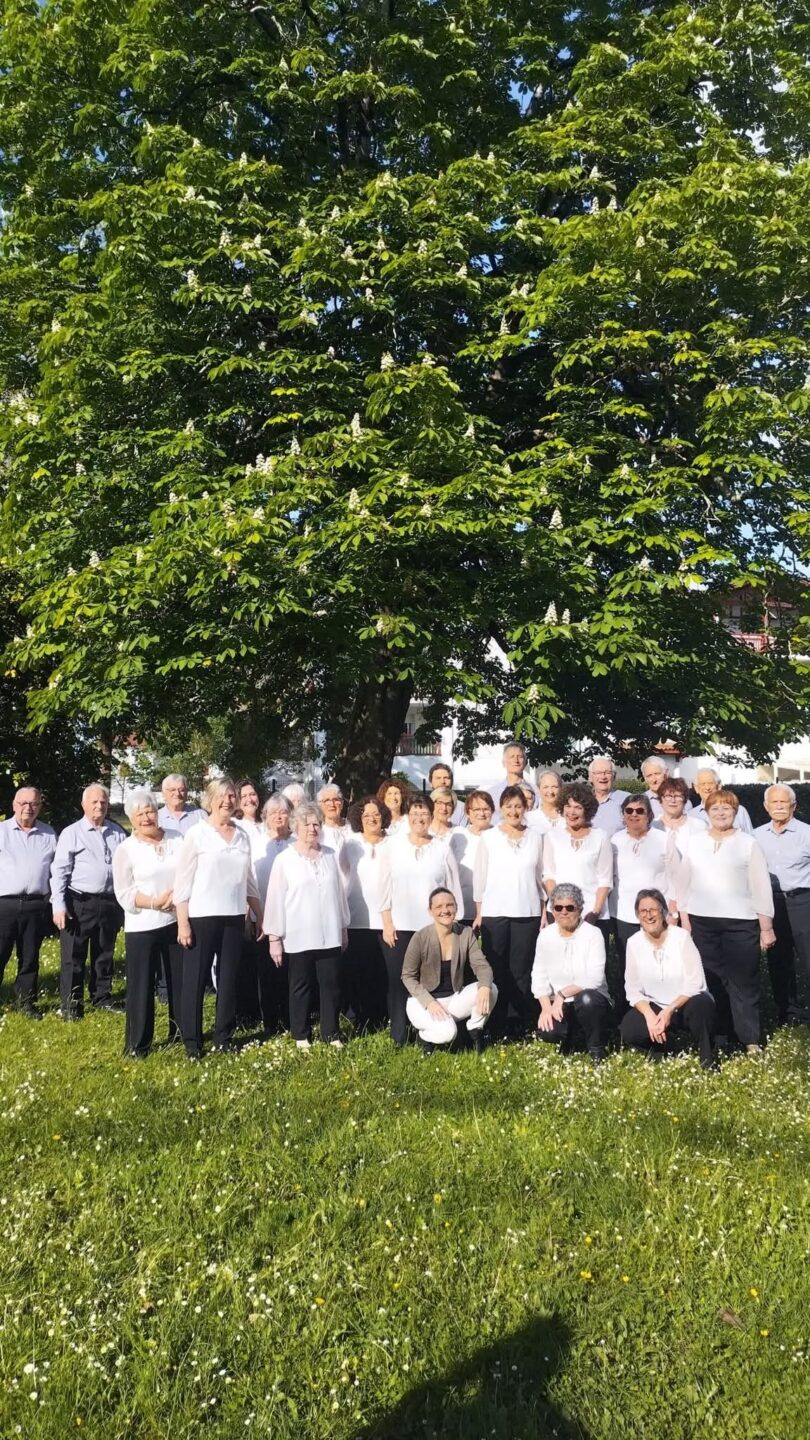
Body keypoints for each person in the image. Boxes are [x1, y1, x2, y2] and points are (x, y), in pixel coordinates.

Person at [677, 789, 774, 1052]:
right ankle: (720, 1033)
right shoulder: (695, 842)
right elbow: (683, 883)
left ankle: (749, 1038)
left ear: (735, 812)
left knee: (744, 982)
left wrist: (766, 927)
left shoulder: (748, 843)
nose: (721, 813)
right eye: (715, 808)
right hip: (703, 922)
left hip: (741, 922)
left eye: (726, 808)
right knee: (712, 980)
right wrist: (685, 919)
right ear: (707, 813)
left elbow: (761, 887)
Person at [173, 777, 262, 1059]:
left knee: (228, 979)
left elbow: (249, 882)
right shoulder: (197, 834)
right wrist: (183, 922)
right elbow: (182, 883)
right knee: (196, 981)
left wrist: (262, 915)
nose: (228, 801)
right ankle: (192, 1041)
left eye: (232, 796)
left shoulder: (242, 835)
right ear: (210, 800)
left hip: (234, 917)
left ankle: (223, 1037)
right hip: (201, 918)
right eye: (221, 796)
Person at [378, 793, 463, 1046]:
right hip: (400, 927)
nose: (419, 817)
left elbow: (453, 887)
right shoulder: (392, 846)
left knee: (430, 981)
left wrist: (451, 922)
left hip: (433, 929)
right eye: (414, 813)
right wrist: (387, 922)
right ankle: (399, 1035)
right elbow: (383, 888)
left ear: (431, 815)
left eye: (424, 812)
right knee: (399, 981)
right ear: (406, 816)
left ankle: (427, 1034)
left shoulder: (442, 847)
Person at [264, 802, 350, 1049]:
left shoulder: (330, 855)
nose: (313, 828)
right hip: (298, 935)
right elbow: (275, 899)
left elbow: (339, 894)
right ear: (296, 827)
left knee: (331, 985)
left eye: (317, 824)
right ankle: (301, 1034)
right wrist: (274, 938)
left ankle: (330, 1032)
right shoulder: (285, 859)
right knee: (300, 986)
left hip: (330, 932)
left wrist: (344, 928)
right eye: (307, 824)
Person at [112, 789, 184, 1058]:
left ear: (158, 812)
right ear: (131, 818)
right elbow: (124, 893)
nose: (146, 817)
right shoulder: (126, 850)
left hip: (177, 920)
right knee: (141, 987)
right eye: (139, 813)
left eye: (150, 811)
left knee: (179, 982)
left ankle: (180, 1032)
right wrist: (156, 902)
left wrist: (177, 897)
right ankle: (138, 1044)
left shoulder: (178, 838)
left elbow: (190, 870)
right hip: (143, 925)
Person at [473, 785, 545, 1038]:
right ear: (500, 809)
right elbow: (480, 878)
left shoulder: (536, 838)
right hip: (495, 913)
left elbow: (541, 877)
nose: (514, 811)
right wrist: (479, 912)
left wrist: (544, 910)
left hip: (527, 912)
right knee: (495, 968)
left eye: (518, 806)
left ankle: (517, 1024)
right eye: (508, 806)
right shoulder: (489, 838)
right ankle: (493, 1021)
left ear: (525, 808)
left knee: (521, 971)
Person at [51, 783, 127, 1020]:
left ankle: (101, 997)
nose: (99, 806)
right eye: (94, 802)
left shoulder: (117, 832)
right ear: (83, 804)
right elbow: (59, 871)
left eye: (103, 802)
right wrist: (58, 905)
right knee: (74, 956)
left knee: (104, 953)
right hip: (79, 902)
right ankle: (71, 1004)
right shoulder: (71, 833)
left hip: (109, 902)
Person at [620, 889, 716, 1069]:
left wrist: (670, 1010)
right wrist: (650, 1016)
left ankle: (707, 1059)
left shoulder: (681, 937)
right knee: (629, 1030)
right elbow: (632, 989)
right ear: (637, 915)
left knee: (702, 1005)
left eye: (653, 910)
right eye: (643, 911)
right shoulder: (634, 942)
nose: (649, 916)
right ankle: (663, 1047)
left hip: (684, 1003)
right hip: (655, 1005)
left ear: (663, 911)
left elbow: (696, 982)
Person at [402, 888, 497, 1052]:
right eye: (439, 907)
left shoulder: (465, 933)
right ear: (430, 910)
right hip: (422, 1002)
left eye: (449, 905)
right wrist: (429, 1002)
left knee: (491, 989)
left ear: (456, 908)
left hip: (453, 1000)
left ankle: (474, 1030)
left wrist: (484, 987)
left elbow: (482, 965)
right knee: (448, 1034)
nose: (445, 910)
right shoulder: (420, 937)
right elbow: (407, 976)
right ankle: (423, 1037)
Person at [531, 883, 612, 1062]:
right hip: (559, 1004)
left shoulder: (593, 934)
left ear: (580, 909)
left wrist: (562, 994)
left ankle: (596, 1048)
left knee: (587, 999)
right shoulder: (545, 935)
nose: (564, 912)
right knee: (548, 1031)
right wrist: (545, 1007)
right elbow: (539, 975)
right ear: (552, 911)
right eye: (558, 908)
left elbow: (595, 979)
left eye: (570, 907)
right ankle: (572, 1038)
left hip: (591, 999)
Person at [610, 795, 679, 1002]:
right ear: (623, 815)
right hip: (623, 913)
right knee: (628, 963)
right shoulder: (615, 840)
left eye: (640, 811)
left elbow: (676, 876)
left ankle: (664, 1008)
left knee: (660, 963)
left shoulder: (663, 839)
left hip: (657, 914)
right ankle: (630, 1009)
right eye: (628, 811)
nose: (634, 815)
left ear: (649, 814)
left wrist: (673, 911)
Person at [754, 784, 810, 1026]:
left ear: (793, 806)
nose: (778, 806)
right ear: (766, 807)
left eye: (783, 802)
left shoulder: (807, 833)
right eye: (773, 803)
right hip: (772, 905)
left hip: (802, 902)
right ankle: (789, 1011)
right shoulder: (756, 836)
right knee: (779, 960)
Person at [0, 785, 56, 1018]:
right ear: (14, 805)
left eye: (33, 803)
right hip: (5, 905)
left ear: (40, 807)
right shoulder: (1, 831)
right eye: (23, 803)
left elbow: (57, 869)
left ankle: (26, 1003)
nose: (28, 808)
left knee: (30, 957)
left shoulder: (49, 833)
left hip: (36, 904)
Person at [340, 795, 391, 1032]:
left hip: (387, 921)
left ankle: (382, 1018)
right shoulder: (350, 844)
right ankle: (360, 1019)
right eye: (366, 815)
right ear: (359, 819)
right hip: (357, 917)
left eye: (376, 814)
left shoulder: (394, 843)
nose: (372, 819)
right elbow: (342, 878)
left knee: (382, 972)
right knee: (358, 972)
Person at [542, 783, 613, 944]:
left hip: (592, 914)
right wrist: (558, 907)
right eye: (568, 806)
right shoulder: (552, 836)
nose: (571, 812)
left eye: (577, 807)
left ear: (587, 810)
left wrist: (594, 912)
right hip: (561, 913)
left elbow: (605, 879)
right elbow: (549, 875)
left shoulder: (601, 837)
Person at [251, 794, 293, 1034]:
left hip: (292, 917)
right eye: (274, 812)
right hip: (263, 916)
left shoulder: (296, 842)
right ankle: (270, 1021)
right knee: (266, 971)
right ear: (265, 817)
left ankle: (289, 1017)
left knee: (290, 971)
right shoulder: (257, 843)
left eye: (284, 812)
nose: (279, 816)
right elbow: (249, 880)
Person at [449, 790, 494, 924]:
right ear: (468, 812)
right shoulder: (457, 835)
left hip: (492, 907)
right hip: (462, 906)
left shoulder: (499, 836)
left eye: (486, 809)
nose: (481, 813)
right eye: (476, 809)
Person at [653, 777, 703, 854]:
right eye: (668, 796)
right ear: (661, 799)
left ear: (685, 800)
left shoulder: (699, 826)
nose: (673, 800)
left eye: (678, 796)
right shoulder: (652, 827)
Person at [488, 742, 540, 809]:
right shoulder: (492, 793)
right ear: (503, 763)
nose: (516, 760)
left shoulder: (537, 792)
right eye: (512, 757)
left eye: (520, 757)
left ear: (525, 762)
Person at [588, 756, 630, 836]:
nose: (603, 777)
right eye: (598, 773)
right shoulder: (582, 800)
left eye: (608, 772)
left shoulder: (627, 799)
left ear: (614, 777)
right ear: (590, 777)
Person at [318, 783, 349, 855]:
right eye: (327, 800)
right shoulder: (317, 832)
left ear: (342, 803)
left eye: (336, 799)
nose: (332, 804)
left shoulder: (352, 829)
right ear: (320, 805)